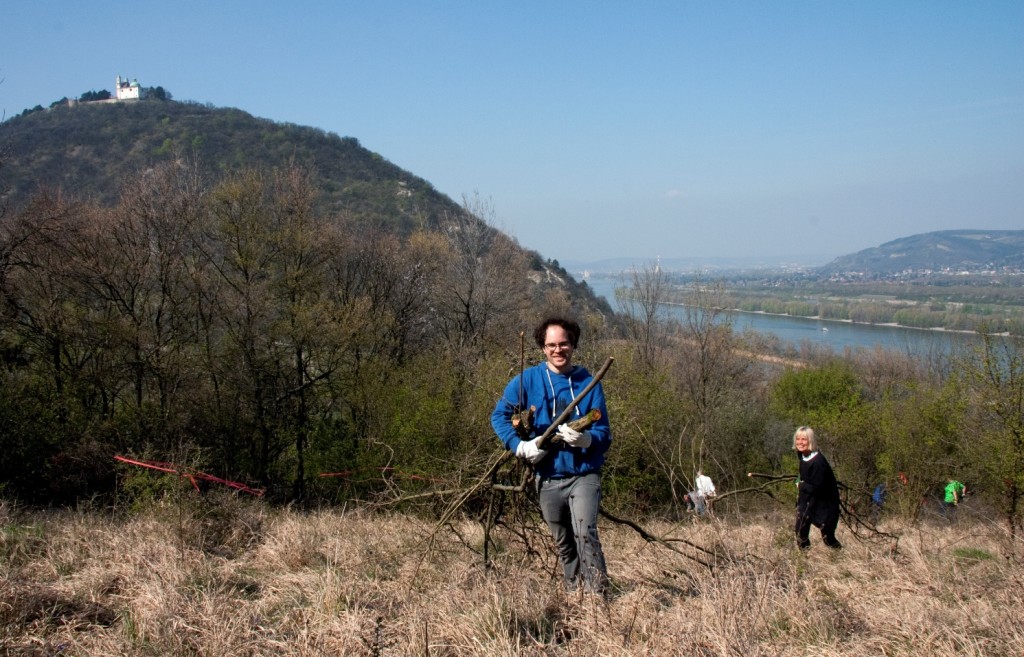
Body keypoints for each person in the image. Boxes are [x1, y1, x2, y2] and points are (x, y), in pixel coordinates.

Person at [491, 317, 612, 594]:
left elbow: (605, 433)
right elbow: (499, 415)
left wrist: (587, 439)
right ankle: (574, 593)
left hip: (583, 474)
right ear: (543, 348)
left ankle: (599, 598)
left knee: (585, 533)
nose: (559, 350)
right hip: (547, 476)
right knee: (564, 541)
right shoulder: (528, 380)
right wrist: (520, 446)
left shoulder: (588, 382)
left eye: (564, 344)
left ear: (573, 345)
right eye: (552, 345)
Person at [793, 426, 842, 550]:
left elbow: (817, 488)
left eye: (804, 439)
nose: (800, 442)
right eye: (798, 439)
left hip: (825, 504)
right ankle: (804, 560)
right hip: (808, 502)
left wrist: (800, 484)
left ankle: (839, 555)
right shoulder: (802, 455)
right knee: (800, 533)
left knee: (828, 538)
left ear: (810, 441)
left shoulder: (818, 462)